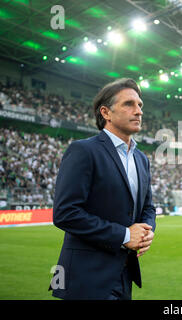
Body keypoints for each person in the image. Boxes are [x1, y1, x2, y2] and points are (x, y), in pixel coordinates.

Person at [49, 78, 156, 300]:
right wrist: (125, 234)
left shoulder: (141, 159)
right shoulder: (83, 151)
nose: (138, 111)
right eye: (129, 104)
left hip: (124, 274)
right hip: (86, 278)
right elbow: (65, 213)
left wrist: (147, 231)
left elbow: (148, 207)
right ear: (106, 112)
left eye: (140, 105)